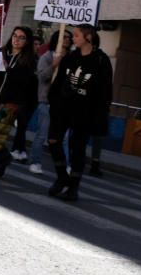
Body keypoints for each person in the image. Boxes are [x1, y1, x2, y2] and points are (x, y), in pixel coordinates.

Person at [47, 24, 113, 201]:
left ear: (88, 37)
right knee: (53, 140)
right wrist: (53, 100)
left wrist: (100, 114)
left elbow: (106, 90)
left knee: (77, 148)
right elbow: (59, 81)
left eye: (76, 35)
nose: (73, 38)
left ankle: (73, 187)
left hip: (85, 111)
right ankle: (62, 177)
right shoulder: (70, 57)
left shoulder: (101, 60)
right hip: (63, 108)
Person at [0, 26, 37, 181]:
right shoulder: (0, 53)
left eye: (21, 37)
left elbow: (24, 82)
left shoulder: (29, 60)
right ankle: (3, 158)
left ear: (27, 41)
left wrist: (8, 69)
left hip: (10, 105)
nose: (16, 39)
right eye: (14, 35)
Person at [28, 28, 72, 174]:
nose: (66, 39)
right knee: (42, 134)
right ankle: (35, 162)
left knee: (64, 137)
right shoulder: (47, 57)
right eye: (63, 37)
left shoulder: (72, 58)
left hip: (64, 103)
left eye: (69, 37)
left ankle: (65, 165)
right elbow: (41, 77)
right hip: (47, 101)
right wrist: (54, 65)